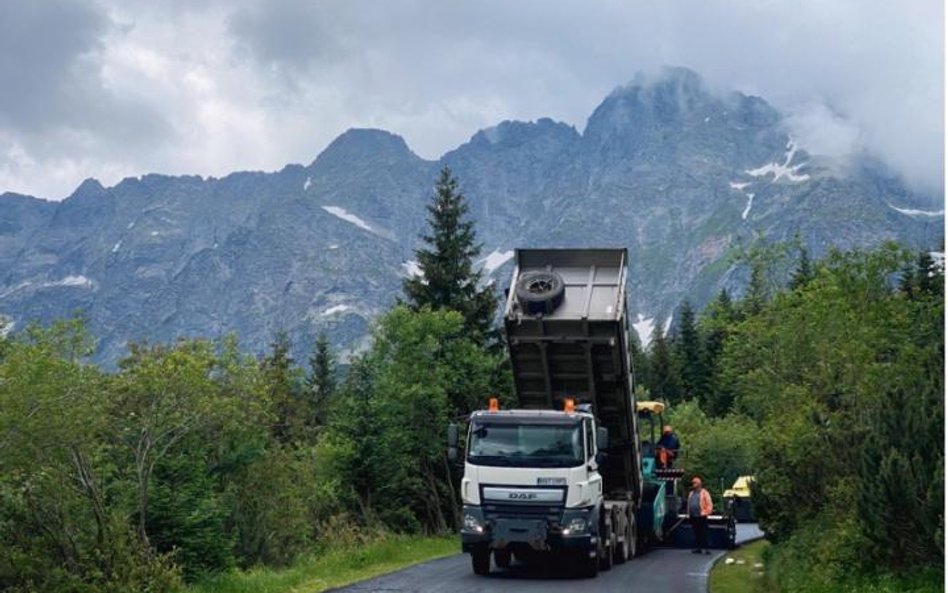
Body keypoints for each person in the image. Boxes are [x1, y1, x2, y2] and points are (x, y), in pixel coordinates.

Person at [688, 476, 713, 554]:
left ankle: (707, 548)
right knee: (696, 532)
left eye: (695, 483)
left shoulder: (704, 493)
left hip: (701, 516)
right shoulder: (691, 493)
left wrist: (706, 512)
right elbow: (689, 503)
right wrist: (688, 512)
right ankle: (698, 548)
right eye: (693, 483)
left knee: (704, 532)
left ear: (699, 484)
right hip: (693, 516)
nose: (693, 484)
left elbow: (709, 504)